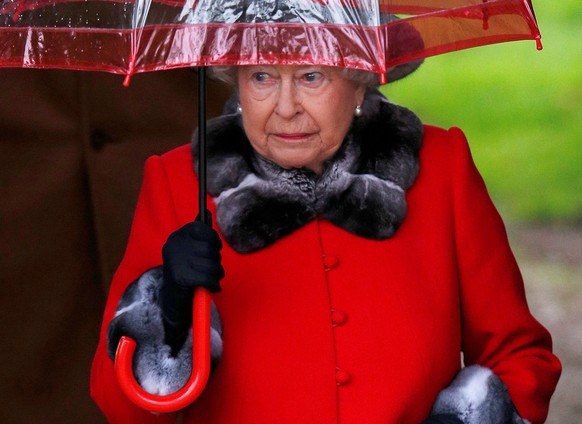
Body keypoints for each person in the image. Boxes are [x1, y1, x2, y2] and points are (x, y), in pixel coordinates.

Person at [90, 61, 561, 423]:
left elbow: (520, 358)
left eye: (311, 77)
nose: (286, 106)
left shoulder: (441, 169)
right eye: (261, 77)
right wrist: (166, 309)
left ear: (359, 80)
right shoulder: (179, 183)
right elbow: (120, 407)